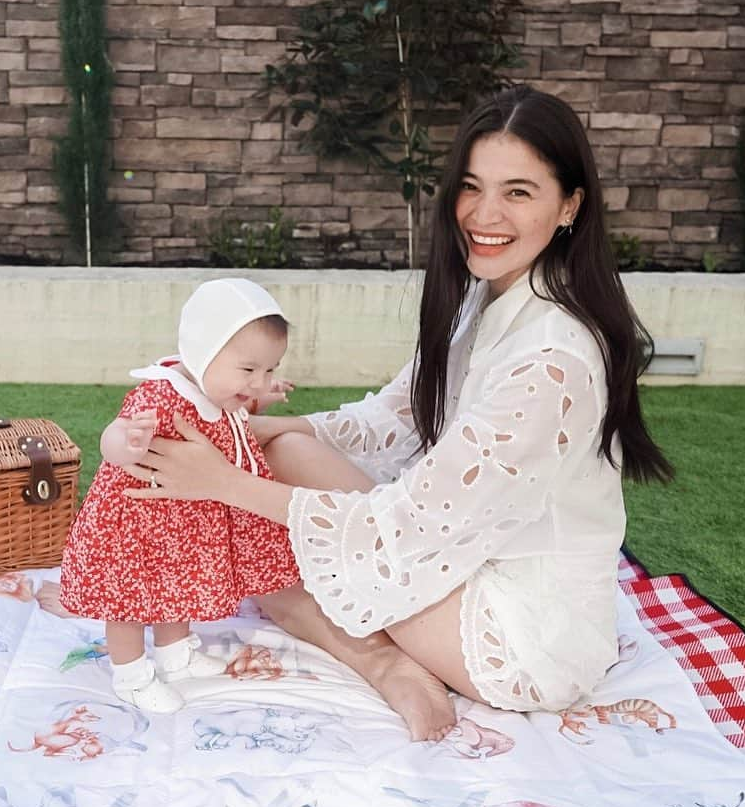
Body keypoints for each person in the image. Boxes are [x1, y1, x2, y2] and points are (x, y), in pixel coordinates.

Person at [123, 85, 674, 741]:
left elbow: (405, 527)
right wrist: (260, 431)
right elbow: (395, 416)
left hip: (523, 635)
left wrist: (224, 482)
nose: (484, 213)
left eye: (518, 192)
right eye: (472, 187)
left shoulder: (552, 360)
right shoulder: (487, 298)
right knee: (273, 479)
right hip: (469, 557)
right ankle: (390, 660)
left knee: (258, 539)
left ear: (570, 206)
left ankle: (384, 664)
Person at [56, 277, 301, 713]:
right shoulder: (161, 393)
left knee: (177, 587)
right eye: (249, 371)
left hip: (183, 523)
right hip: (138, 525)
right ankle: (130, 673)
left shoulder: (216, 390)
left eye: (270, 370)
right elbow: (111, 438)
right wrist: (125, 441)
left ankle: (176, 654)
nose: (259, 382)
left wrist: (259, 393)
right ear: (203, 352)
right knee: (128, 599)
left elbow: (231, 409)